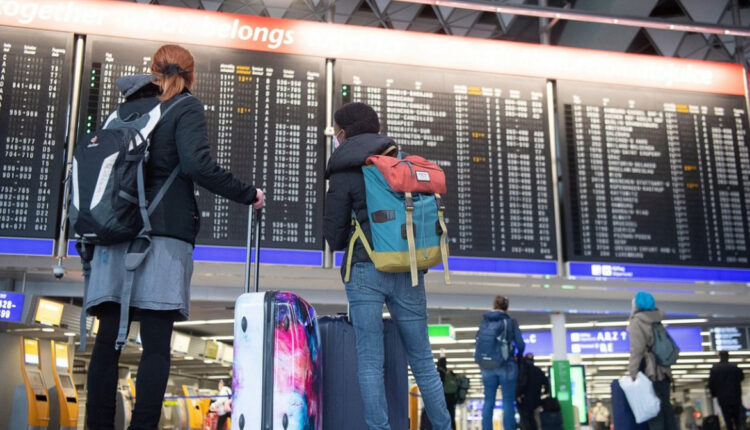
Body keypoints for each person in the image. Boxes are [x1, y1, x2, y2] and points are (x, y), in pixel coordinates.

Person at [84, 44, 265, 430]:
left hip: (110, 232)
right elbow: (198, 165)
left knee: (107, 340)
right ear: (191, 75)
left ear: (152, 69)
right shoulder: (185, 107)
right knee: (155, 343)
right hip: (161, 237)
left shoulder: (124, 110)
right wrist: (249, 194)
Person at [323, 102, 452, 430]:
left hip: (364, 270)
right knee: (423, 361)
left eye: (335, 132)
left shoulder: (343, 172)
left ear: (343, 133)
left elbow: (335, 237)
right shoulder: (398, 163)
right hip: (408, 269)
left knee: (370, 362)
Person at [627, 291, 677, 430]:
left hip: (650, 372)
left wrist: (632, 372)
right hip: (664, 372)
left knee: (654, 412)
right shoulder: (657, 319)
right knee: (666, 409)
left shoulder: (636, 322)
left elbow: (637, 349)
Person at [478, 295, 525, 430]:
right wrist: (517, 356)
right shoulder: (511, 322)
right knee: (508, 402)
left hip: (487, 367)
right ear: (507, 307)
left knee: (488, 401)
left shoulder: (485, 322)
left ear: (494, 306)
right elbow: (520, 344)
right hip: (507, 366)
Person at [709, 351, 745, 430]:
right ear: (728, 356)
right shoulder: (734, 367)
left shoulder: (715, 369)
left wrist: (714, 394)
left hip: (723, 399)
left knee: (728, 420)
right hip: (735, 397)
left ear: (719, 356)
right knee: (737, 420)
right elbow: (741, 378)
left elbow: (711, 383)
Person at [516, 353, 550, 430]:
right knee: (533, 419)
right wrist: (543, 394)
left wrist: (518, 395)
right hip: (536, 400)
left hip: (524, 399)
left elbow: (522, 383)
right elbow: (547, 384)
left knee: (525, 420)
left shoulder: (524, 370)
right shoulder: (539, 371)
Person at [437, 357, 458, 429]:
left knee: (441, 416)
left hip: (443, 397)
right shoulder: (450, 373)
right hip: (452, 398)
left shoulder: (439, 372)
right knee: (451, 416)